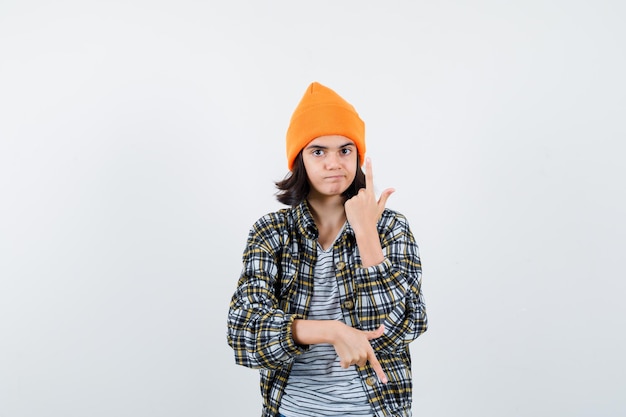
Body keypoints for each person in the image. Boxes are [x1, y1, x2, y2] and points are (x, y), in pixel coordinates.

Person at [227, 82, 427, 417]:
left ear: (359, 156)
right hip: (293, 410)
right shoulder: (272, 232)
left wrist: (366, 234)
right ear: (299, 159)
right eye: (318, 151)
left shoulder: (390, 228)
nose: (334, 163)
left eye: (345, 150)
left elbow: (405, 325)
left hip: (375, 410)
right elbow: (244, 332)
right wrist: (330, 332)